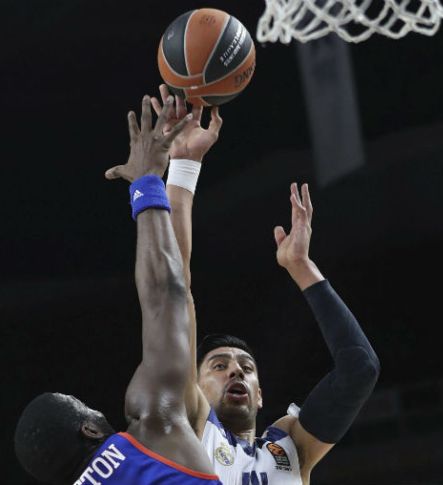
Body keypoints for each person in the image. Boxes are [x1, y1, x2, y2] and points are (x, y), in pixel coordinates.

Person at [110, 85, 381, 484]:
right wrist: (183, 169)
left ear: (259, 394)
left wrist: (301, 267)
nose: (236, 372)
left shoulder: (291, 449)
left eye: (247, 369)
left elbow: (359, 367)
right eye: (218, 366)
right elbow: (174, 285)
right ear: (193, 384)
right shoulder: (188, 429)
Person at [14, 94, 222, 485]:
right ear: (89, 430)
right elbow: (168, 296)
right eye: (87, 409)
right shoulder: (150, 429)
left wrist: (182, 170)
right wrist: (146, 182)